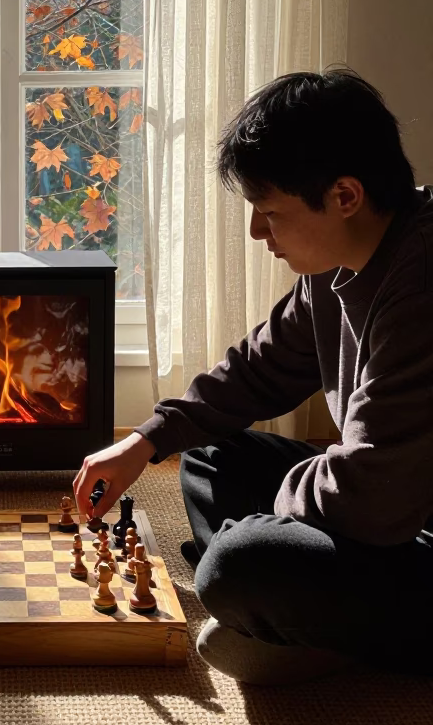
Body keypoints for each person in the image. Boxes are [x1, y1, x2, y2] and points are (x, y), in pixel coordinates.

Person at [74, 69, 433, 685]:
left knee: (241, 562)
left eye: (269, 212)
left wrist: (265, 524)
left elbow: (375, 491)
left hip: (415, 527)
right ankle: (296, 622)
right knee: (209, 455)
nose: (257, 232)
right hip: (383, 503)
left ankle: (291, 616)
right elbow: (258, 371)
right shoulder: (337, 263)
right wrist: (145, 441)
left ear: (345, 196)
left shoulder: (421, 282)